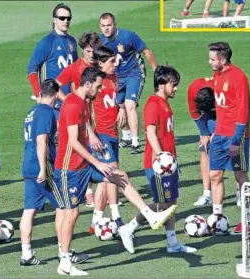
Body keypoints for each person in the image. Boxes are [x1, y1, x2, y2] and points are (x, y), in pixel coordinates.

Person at [54, 66, 177, 276]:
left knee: (119, 175)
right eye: (99, 86)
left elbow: (82, 133)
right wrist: (99, 163)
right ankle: (64, 262)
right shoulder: (73, 104)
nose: (101, 91)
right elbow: (73, 141)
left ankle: (150, 215)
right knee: (71, 213)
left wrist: (97, 156)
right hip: (69, 168)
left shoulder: (84, 102)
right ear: (88, 83)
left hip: (85, 163)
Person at [115, 66, 197, 254]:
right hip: (159, 165)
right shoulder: (153, 104)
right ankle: (129, 228)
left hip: (168, 164)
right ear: (161, 84)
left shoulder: (164, 103)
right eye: (173, 85)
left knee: (171, 203)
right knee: (163, 204)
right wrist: (162, 158)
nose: (176, 88)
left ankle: (172, 243)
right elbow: (150, 132)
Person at [20, 79, 88, 266]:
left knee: (29, 210)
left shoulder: (30, 113)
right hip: (43, 167)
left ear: (41, 92)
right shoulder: (47, 112)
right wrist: (43, 167)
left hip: (27, 165)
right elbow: (41, 141)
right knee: (64, 207)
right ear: (57, 94)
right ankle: (63, 251)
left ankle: (26, 254)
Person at [56, 31, 104, 207]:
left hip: (98, 115)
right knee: (86, 148)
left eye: (94, 50)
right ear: (83, 49)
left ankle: (96, 191)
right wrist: (67, 99)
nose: (92, 54)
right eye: (88, 51)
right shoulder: (75, 67)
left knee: (95, 151)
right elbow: (55, 85)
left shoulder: (100, 67)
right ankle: (88, 191)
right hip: (82, 117)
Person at [99, 13, 157, 154]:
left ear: (115, 24)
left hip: (134, 73)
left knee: (130, 105)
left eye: (109, 25)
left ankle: (135, 142)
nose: (106, 29)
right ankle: (126, 135)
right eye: (103, 26)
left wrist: (156, 70)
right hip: (116, 77)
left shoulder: (128, 36)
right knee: (116, 106)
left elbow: (146, 51)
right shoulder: (100, 41)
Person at [208, 42, 250, 235]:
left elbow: (243, 111)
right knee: (214, 175)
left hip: (236, 137)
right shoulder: (218, 75)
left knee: (240, 176)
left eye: (212, 59)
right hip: (219, 134)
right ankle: (217, 219)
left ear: (222, 60)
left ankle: (247, 221)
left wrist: (236, 140)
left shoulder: (238, 77)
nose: (209, 62)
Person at [86, 46, 125, 234]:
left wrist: (123, 109)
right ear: (100, 63)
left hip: (113, 134)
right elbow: (82, 111)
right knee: (113, 172)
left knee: (103, 180)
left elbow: (116, 101)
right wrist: (91, 135)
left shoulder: (114, 78)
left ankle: (96, 222)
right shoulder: (95, 83)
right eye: (111, 61)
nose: (115, 64)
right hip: (100, 135)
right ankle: (117, 217)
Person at [27, 2, 78, 119]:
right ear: (54, 20)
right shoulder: (47, 42)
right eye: (62, 18)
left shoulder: (72, 41)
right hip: (52, 100)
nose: (66, 21)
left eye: (68, 18)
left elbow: (75, 69)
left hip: (69, 98)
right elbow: (32, 69)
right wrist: (38, 94)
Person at [187, 77, 216, 206]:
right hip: (206, 114)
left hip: (222, 111)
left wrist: (216, 133)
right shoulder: (192, 90)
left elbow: (225, 113)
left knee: (226, 146)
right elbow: (195, 115)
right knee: (204, 148)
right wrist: (205, 134)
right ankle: (207, 194)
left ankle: (240, 192)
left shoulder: (219, 89)